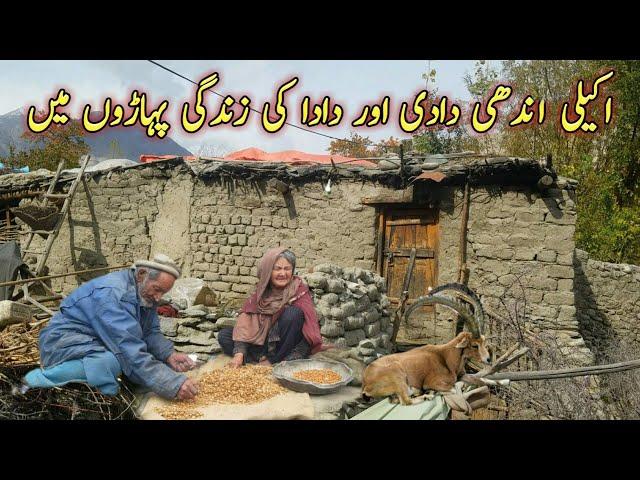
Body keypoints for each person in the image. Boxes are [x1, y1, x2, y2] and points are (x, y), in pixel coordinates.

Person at [21, 254, 199, 400]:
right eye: (157, 289)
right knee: (111, 363)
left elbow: (150, 332)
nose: (159, 297)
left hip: (99, 340)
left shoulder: (145, 293)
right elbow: (130, 351)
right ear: (142, 274)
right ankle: (35, 381)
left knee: (157, 368)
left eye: (163, 292)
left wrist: (169, 355)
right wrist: (173, 384)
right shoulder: (113, 295)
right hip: (64, 343)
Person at [218, 247, 329, 368]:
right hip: (262, 342)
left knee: (293, 314)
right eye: (277, 269)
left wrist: (294, 354)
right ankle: (254, 360)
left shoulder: (299, 290)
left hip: (286, 345)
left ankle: (273, 361)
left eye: (287, 269)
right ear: (268, 271)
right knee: (224, 335)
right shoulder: (261, 292)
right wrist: (239, 353)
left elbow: (309, 331)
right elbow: (245, 325)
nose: (283, 273)